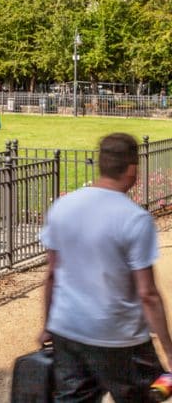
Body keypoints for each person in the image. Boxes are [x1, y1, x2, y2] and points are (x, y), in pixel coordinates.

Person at [39, 133, 172, 400]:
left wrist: (47, 325)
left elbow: (52, 274)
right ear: (132, 170)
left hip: (68, 328)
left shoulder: (62, 207)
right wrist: (169, 350)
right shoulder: (135, 218)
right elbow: (147, 293)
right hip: (119, 337)